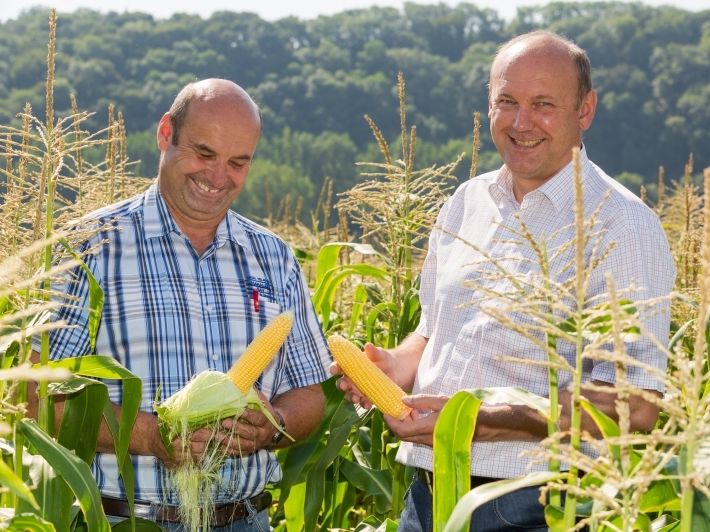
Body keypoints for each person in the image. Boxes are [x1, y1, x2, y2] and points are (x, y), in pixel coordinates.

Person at [333, 31, 675, 531]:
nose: (521, 123)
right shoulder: (465, 203)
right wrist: (393, 367)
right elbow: (433, 334)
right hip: (424, 498)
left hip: (533, 507)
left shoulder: (621, 226)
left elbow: (634, 404)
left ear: (585, 110)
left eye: (543, 105)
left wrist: (486, 419)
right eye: (506, 102)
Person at [33, 79, 332, 530]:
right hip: (128, 521)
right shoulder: (89, 247)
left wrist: (276, 422)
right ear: (165, 134)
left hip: (247, 519)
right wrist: (152, 437)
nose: (217, 177)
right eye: (205, 154)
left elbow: (310, 391)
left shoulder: (273, 257)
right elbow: (35, 395)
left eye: (238, 162)